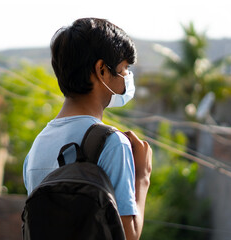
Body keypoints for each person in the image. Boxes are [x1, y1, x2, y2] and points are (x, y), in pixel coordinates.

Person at [23, 18, 152, 240]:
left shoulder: (37, 146)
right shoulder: (111, 143)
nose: (127, 79)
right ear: (102, 70)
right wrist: (142, 176)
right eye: (124, 69)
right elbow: (128, 236)